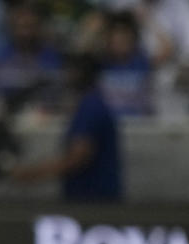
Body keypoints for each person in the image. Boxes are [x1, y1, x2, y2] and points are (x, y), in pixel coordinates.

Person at [8, 53, 122, 202]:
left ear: (80, 73)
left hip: (93, 201)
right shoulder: (89, 104)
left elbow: (78, 158)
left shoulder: (91, 107)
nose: (66, 75)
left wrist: (32, 174)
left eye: (70, 70)